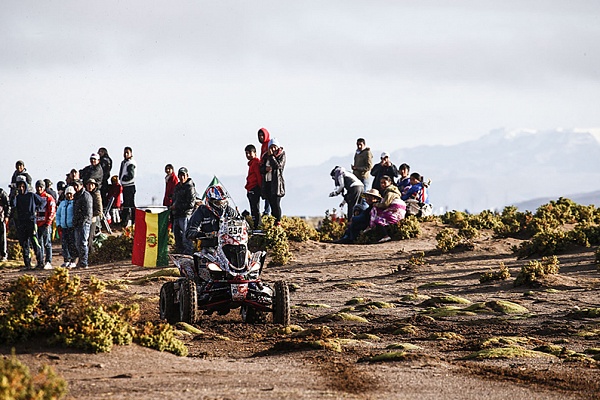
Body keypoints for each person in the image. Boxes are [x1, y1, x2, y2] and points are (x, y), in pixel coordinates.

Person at [186, 185, 239, 251]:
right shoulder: (202, 211)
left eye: (223, 202)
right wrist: (207, 234)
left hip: (230, 245)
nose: (221, 206)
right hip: (209, 247)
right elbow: (189, 232)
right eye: (218, 203)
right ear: (210, 201)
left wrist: (248, 229)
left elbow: (242, 223)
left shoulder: (229, 210)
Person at [12, 176, 44, 269]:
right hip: (22, 223)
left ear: (25, 186)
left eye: (23, 186)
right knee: (24, 243)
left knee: (35, 242)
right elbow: (13, 205)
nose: (21, 188)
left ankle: (40, 262)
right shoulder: (17, 197)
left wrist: (36, 210)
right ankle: (28, 264)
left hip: (31, 222)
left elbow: (42, 202)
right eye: (19, 187)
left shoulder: (31, 195)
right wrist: (14, 195)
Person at [370, 175, 406, 243]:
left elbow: (385, 204)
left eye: (384, 182)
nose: (382, 184)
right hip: (399, 209)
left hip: (396, 209)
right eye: (381, 183)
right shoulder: (392, 191)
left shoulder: (390, 192)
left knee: (378, 220)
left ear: (390, 183)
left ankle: (385, 236)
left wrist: (376, 205)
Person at [170, 167, 197, 255]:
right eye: (180, 175)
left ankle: (188, 256)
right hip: (177, 215)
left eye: (183, 175)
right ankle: (181, 255)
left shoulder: (190, 187)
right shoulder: (178, 187)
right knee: (178, 238)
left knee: (186, 238)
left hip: (185, 215)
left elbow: (191, 204)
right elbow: (174, 199)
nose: (182, 177)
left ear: (187, 175)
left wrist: (177, 206)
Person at [260, 138, 286, 224]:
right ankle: (273, 222)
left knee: (276, 204)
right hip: (268, 183)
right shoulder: (265, 156)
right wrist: (265, 169)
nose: (273, 149)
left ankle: (278, 222)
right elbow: (261, 169)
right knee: (271, 203)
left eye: (275, 147)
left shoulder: (281, 155)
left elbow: (278, 166)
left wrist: (271, 157)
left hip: (276, 184)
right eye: (271, 147)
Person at [34, 180, 56, 269]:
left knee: (47, 242)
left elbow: (52, 210)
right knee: (39, 243)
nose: (39, 189)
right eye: (38, 187)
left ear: (44, 188)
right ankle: (40, 262)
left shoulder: (48, 197)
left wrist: (48, 222)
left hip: (45, 223)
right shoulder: (34, 197)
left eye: (41, 187)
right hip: (36, 224)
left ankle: (48, 261)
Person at [72, 179, 92, 268]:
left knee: (83, 242)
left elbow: (88, 211)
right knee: (77, 243)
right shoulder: (76, 196)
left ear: (81, 185)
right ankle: (81, 261)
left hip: (84, 223)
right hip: (77, 223)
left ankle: (84, 263)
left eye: (77, 185)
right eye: (74, 186)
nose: (75, 187)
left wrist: (83, 222)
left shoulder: (86, 196)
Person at [56, 186, 77, 268]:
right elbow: (58, 214)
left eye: (70, 194)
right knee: (64, 244)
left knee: (72, 244)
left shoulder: (75, 203)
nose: (69, 196)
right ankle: (66, 260)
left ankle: (73, 260)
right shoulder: (62, 203)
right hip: (63, 227)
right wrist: (58, 224)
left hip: (71, 227)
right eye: (67, 194)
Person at [244, 144, 262, 230]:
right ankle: (256, 225)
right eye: (246, 153)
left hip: (254, 188)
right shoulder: (251, 164)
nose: (248, 155)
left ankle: (258, 226)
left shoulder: (255, 163)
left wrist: (261, 187)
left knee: (255, 208)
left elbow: (258, 176)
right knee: (253, 208)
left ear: (255, 153)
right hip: (250, 188)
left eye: (250, 153)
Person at [119, 146, 137, 226]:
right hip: (125, 185)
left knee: (129, 204)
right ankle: (126, 220)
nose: (125, 154)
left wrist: (123, 178)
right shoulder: (124, 162)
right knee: (127, 203)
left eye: (127, 153)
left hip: (129, 185)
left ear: (131, 154)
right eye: (125, 152)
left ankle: (131, 220)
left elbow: (131, 175)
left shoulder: (131, 163)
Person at [86, 179, 103, 251]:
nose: (90, 186)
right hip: (85, 219)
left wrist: (90, 215)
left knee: (90, 237)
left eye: (92, 184)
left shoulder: (96, 195)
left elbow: (99, 210)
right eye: (88, 184)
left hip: (93, 219)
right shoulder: (86, 194)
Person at [257, 128, 271, 216]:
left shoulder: (269, 144)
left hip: (269, 173)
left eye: (262, 135)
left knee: (269, 193)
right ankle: (266, 211)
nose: (261, 137)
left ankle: (267, 212)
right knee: (266, 192)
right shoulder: (263, 146)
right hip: (264, 172)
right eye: (259, 136)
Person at [0, 188, 10, 262]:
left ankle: (4, 255)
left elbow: (8, 205)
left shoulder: (2, 193)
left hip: (1, 219)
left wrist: (7, 216)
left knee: (2, 237)